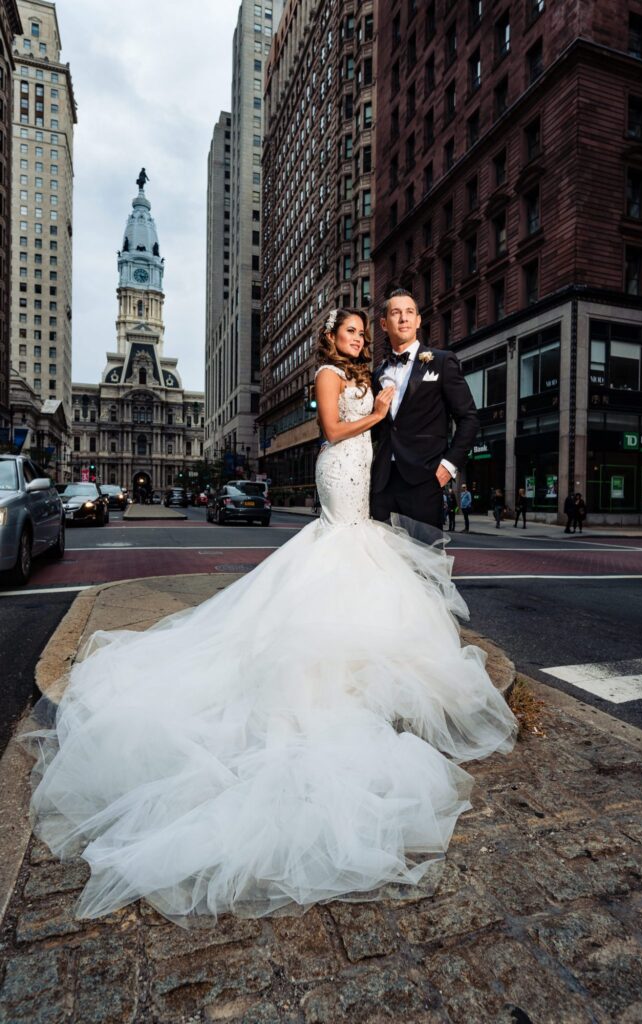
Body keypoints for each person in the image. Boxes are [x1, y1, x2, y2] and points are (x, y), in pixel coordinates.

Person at [24, 307, 517, 926]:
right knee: (337, 557)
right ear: (331, 339)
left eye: (366, 330)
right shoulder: (328, 376)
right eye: (352, 331)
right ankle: (320, 672)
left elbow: (416, 423)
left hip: (372, 477)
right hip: (343, 472)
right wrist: (379, 410)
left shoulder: (378, 369)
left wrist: (411, 438)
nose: (361, 336)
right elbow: (335, 433)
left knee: (366, 568)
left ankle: (357, 662)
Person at [370, 290, 480, 530]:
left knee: (423, 562)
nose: (404, 319)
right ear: (383, 324)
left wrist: (448, 466)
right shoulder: (378, 373)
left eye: (410, 312)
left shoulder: (442, 361)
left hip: (424, 480)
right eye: (396, 313)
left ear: (418, 321)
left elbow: (469, 419)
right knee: (381, 563)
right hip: (383, 483)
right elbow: (377, 430)